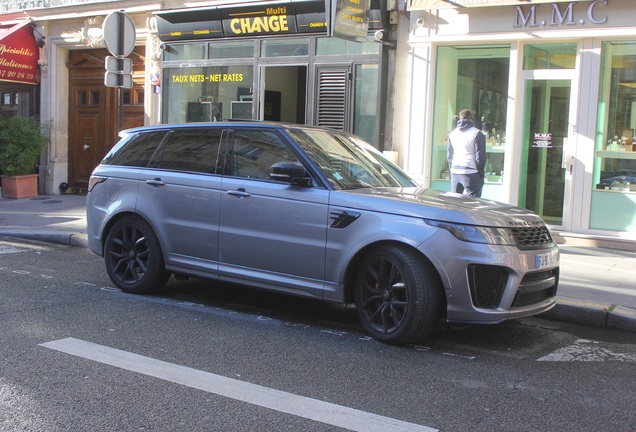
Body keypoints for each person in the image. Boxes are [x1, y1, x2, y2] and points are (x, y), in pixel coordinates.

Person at [447, 109, 486, 197]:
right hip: (471, 171)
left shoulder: (452, 134)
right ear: (472, 118)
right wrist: (481, 173)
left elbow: (449, 155)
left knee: (455, 203)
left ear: (460, 119)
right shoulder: (476, 133)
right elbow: (480, 156)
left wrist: (451, 170)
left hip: (455, 171)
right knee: (473, 204)